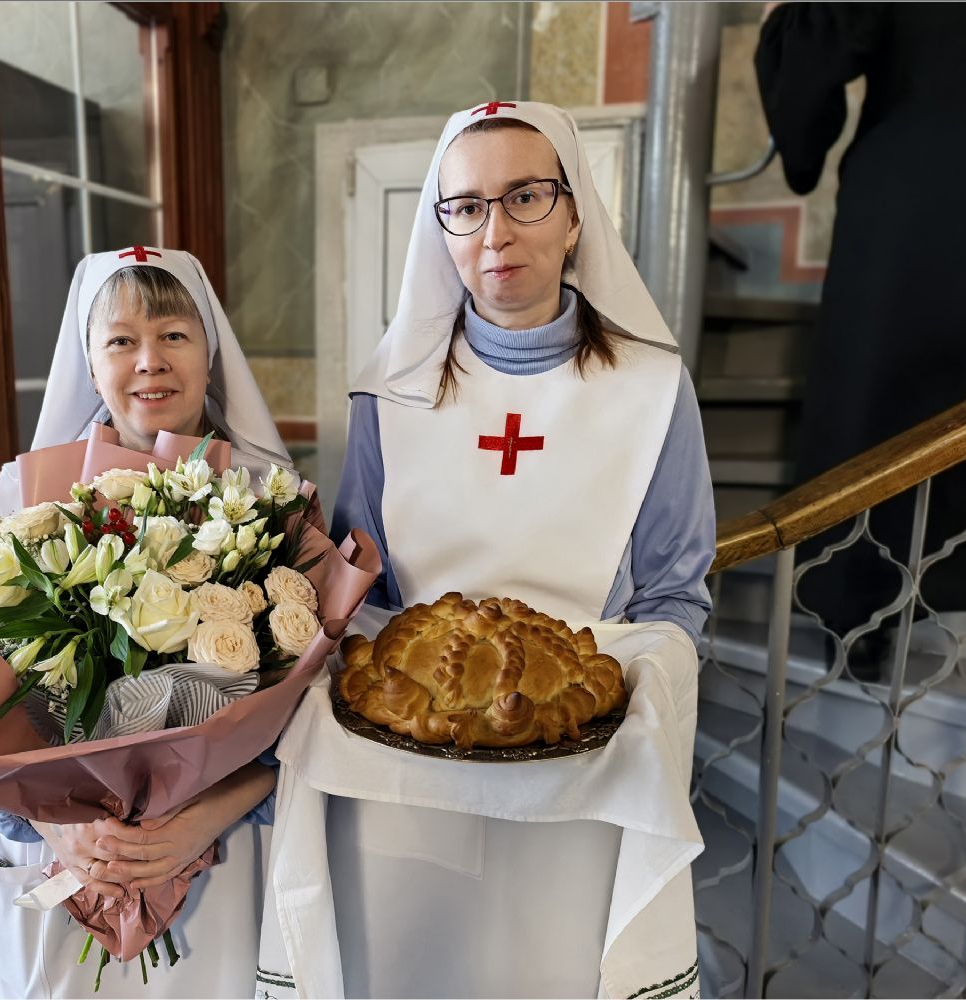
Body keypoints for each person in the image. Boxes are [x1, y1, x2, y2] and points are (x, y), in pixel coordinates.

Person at [257, 102, 713, 999]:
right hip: (399, 766)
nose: (495, 231)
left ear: (574, 214)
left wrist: (633, 705)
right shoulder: (389, 389)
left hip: (580, 765)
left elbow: (674, 595)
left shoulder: (652, 387)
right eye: (464, 206)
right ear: (442, 228)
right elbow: (361, 587)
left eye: (525, 197)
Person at [0, 246, 293, 998]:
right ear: (89, 360)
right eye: (120, 340)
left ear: (209, 351)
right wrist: (59, 825)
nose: (150, 361)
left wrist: (203, 816)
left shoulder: (272, 501)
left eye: (173, 334)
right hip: (59, 860)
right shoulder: (25, 502)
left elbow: (311, 715)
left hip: (222, 860)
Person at [755, 3, 966, 668]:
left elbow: (827, 36)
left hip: (918, 204)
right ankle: (958, 583)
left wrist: (783, 28)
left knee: (879, 404)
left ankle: (858, 618)